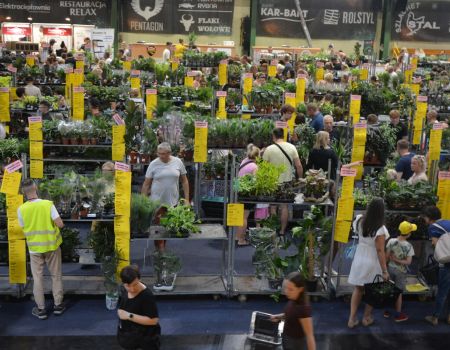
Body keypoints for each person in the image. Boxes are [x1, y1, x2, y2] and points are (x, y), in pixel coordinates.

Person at [17, 179, 65, 320]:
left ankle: (41, 310)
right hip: (51, 246)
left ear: (23, 193)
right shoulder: (47, 204)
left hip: (34, 249)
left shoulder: (21, 209)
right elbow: (60, 224)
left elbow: (23, 227)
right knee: (56, 275)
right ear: (35, 188)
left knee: (37, 278)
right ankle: (57, 306)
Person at [348, 197, 390, 328]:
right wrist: (384, 270)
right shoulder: (380, 228)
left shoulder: (360, 220)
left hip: (359, 257)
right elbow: (379, 250)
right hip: (372, 260)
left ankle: (351, 319)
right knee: (372, 291)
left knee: (358, 289)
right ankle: (366, 318)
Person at [141, 142, 189, 251]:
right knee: (158, 225)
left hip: (172, 201)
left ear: (169, 153)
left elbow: (185, 181)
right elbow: (146, 183)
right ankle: (161, 252)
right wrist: (142, 200)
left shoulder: (178, 162)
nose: (161, 156)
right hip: (156, 201)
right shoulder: (153, 164)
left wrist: (186, 199)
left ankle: (160, 249)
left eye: (163, 154)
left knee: (167, 226)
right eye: (159, 153)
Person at [263, 128, 303, 237]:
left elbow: (263, 168)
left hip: (273, 182)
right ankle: (282, 230)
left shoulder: (269, 149)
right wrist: (300, 178)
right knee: (284, 206)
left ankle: (273, 229)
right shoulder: (292, 147)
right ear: (283, 135)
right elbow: (298, 165)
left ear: (273, 136)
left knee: (273, 206)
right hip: (287, 181)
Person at [117, 265, 161, 350]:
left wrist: (128, 315)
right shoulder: (124, 290)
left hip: (145, 338)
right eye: (128, 286)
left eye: (135, 284)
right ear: (123, 283)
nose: (132, 289)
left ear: (139, 279)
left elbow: (154, 321)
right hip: (130, 336)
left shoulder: (147, 296)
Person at [270, 272, 316, 350]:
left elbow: (309, 336)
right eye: (286, 288)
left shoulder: (303, 309)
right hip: (288, 339)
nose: (286, 292)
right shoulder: (293, 299)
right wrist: (279, 316)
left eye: (291, 289)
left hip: (295, 344)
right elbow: (292, 314)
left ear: (300, 289)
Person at [422, 206, 450, 326]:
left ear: (429, 218)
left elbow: (435, 244)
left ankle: (435, 317)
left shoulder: (433, 227)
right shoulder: (448, 222)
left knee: (443, 291)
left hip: (446, 263)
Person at [384, 221, 416, 322]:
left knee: (389, 290)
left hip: (390, 268)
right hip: (401, 271)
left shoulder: (391, 241)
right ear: (409, 234)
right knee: (398, 293)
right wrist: (397, 260)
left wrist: (385, 269)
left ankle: (387, 311)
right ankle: (398, 315)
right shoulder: (409, 246)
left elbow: (386, 256)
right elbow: (408, 262)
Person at [236, 144, 261, 246]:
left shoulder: (244, 161)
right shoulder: (254, 166)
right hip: (246, 194)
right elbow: (255, 182)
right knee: (244, 217)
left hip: (238, 191)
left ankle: (237, 236)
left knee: (239, 216)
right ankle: (241, 240)